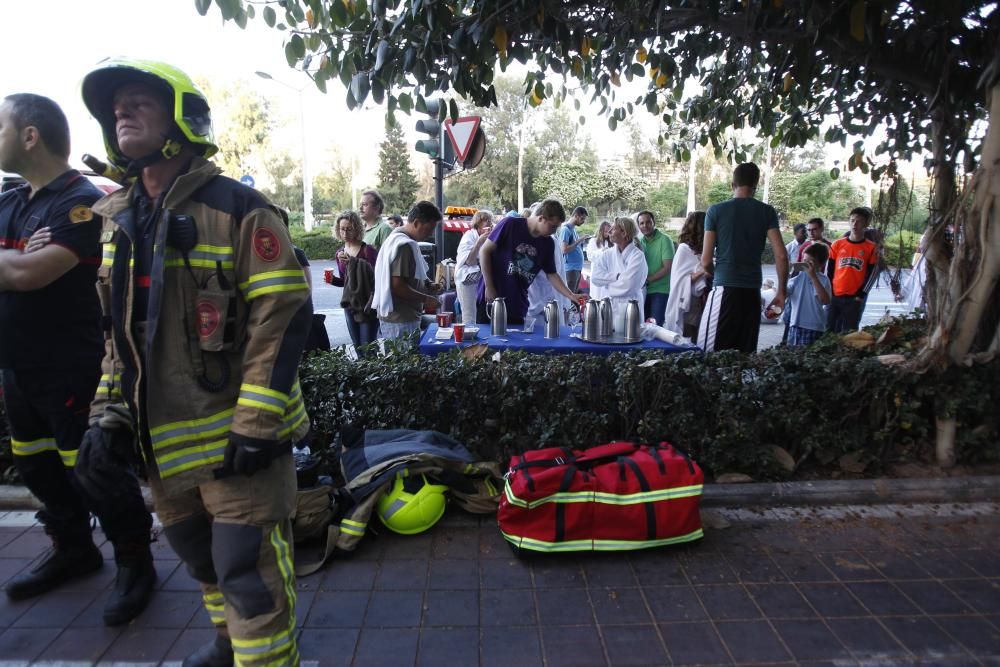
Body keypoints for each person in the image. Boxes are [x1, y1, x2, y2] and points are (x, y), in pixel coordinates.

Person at [81, 59, 312, 666]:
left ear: (183, 118)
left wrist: (259, 421)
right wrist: (107, 416)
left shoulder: (239, 209)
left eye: (138, 102)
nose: (121, 113)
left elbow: (281, 314)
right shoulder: (121, 221)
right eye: (115, 108)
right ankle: (226, 645)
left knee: (247, 571)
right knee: (202, 560)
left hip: (240, 447)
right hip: (166, 449)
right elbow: (121, 336)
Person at [0, 93, 155, 625]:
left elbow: (30, 275)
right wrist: (19, 254)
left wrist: (18, 259)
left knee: (92, 469)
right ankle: (73, 548)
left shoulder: (78, 200)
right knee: (36, 464)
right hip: (16, 363)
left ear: (30, 135)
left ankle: (135, 562)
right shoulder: (13, 199)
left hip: (68, 361)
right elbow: (20, 266)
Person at [699, 162, 788, 353]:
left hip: (725, 290)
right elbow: (781, 255)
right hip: (752, 292)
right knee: (744, 356)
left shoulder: (716, 211)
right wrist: (781, 292)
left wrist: (716, 276)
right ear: (756, 184)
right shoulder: (767, 212)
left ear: (733, 184)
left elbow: (705, 261)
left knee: (709, 354)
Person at [477, 199, 585, 325]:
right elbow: (484, 251)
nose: (554, 231)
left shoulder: (548, 243)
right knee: (486, 342)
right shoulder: (510, 224)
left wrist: (571, 295)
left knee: (515, 344)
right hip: (492, 297)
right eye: (553, 226)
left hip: (517, 303)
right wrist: (489, 286)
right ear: (541, 218)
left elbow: (552, 275)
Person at [372, 200, 443, 341]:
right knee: (403, 360)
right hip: (401, 319)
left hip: (400, 317)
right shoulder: (404, 245)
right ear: (416, 223)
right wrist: (426, 299)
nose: (431, 234)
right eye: (429, 228)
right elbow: (397, 286)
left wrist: (427, 284)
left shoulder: (398, 238)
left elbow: (411, 275)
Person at [329, 209, 378, 351]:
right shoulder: (340, 252)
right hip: (350, 304)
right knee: (358, 347)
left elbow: (376, 278)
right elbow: (346, 282)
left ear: (357, 229)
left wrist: (353, 262)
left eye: (349, 229)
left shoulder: (367, 250)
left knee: (368, 348)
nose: (345, 233)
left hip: (367, 304)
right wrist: (333, 280)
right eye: (342, 229)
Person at [826, 206, 879, 333]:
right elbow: (830, 270)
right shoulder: (837, 244)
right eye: (852, 220)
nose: (855, 224)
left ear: (866, 224)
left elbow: (873, 274)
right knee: (829, 330)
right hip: (835, 295)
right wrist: (829, 290)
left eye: (859, 221)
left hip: (854, 298)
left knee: (850, 333)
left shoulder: (871, 247)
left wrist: (861, 294)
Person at [589, 216, 648, 326]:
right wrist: (616, 277)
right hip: (610, 306)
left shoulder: (637, 256)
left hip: (630, 307)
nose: (610, 231)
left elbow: (628, 285)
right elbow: (595, 278)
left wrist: (608, 285)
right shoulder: (607, 254)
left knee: (630, 339)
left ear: (624, 233)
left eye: (614, 228)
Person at [664, 211, 709, 341]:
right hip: (687, 302)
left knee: (700, 337)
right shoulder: (684, 249)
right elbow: (680, 280)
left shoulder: (703, 249)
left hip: (702, 301)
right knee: (687, 339)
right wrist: (703, 270)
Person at [786, 243, 832, 347]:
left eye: (809, 262)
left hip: (814, 327)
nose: (805, 264)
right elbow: (785, 293)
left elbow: (825, 301)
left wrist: (813, 277)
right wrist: (785, 274)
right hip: (795, 325)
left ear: (820, 265)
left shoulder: (823, 280)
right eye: (803, 260)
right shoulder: (797, 278)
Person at [454, 209, 493, 324]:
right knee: (469, 314)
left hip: (481, 280)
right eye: (486, 220)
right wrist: (479, 242)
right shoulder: (469, 236)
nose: (490, 223)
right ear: (478, 223)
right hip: (466, 281)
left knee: (482, 314)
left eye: (491, 220)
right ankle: (468, 338)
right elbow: (470, 261)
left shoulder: (490, 238)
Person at [637, 209, 675, 326]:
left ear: (654, 223)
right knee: (642, 327)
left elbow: (667, 267)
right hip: (643, 291)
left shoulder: (665, 239)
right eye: (642, 223)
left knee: (655, 328)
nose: (645, 226)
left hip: (660, 291)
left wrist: (647, 280)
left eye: (648, 222)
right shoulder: (640, 242)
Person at [559, 205, 588, 293]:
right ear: (576, 215)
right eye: (582, 219)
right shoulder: (566, 230)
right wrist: (580, 240)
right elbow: (564, 249)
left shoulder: (573, 229)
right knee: (570, 295)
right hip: (571, 269)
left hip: (576, 268)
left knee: (574, 294)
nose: (583, 221)